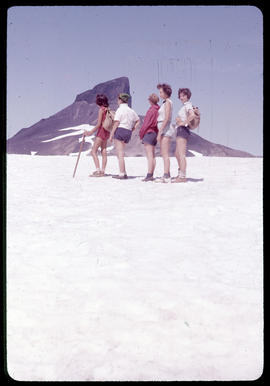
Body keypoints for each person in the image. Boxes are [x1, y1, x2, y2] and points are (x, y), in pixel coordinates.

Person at [109, 93, 140, 179]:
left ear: (120, 100)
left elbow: (116, 122)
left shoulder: (119, 110)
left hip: (120, 130)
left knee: (119, 153)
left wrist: (111, 134)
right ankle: (124, 172)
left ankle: (122, 173)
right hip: (128, 132)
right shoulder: (131, 110)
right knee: (121, 152)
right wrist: (132, 129)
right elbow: (138, 120)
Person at [84, 94, 110, 177]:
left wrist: (90, 132)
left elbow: (99, 124)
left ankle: (98, 170)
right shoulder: (108, 109)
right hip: (107, 131)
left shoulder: (101, 110)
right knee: (104, 150)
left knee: (93, 151)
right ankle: (103, 171)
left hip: (101, 131)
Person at [172, 88, 195, 183]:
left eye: (183, 95)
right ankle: (180, 172)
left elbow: (192, 115)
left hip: (183, 130)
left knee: (181, 154)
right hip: (180, 130)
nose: (181, 97)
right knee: (177, 153)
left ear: (187, 96)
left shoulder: (188, 105)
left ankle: (182, 176)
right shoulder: (184, 106)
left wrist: (183, 123)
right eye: (180, 96)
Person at [155, 83, 174, 183]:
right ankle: (167, 173)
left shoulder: (167, 102)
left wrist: (160, 132)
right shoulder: (165, 102)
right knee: (163, 153)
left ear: (166, 93)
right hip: (164, 129)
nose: (160, 94)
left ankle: (166, 176)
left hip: (165, 129)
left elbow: (166, 118)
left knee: (165, 153)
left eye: (161, 92)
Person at [139, 93, 160, 181]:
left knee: (149, 155)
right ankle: (151, 174)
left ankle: (149, 174)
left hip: (149, 133)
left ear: (150, 101)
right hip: (155, 133)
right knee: (153, 155)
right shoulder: (159, 110)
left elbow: (146, 124)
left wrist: (141, 134)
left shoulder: (151, 110)